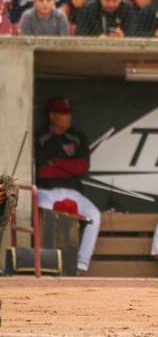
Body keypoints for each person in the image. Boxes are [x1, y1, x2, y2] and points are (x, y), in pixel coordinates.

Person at [35, 97, 101, 275]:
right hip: (46, 191)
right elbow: (42, 172)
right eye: (63, 113)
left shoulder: (77, 137)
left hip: (73, 192)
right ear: (52, 116)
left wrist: (55, 162)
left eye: (68, 113)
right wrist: (67, 167)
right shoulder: (41, 137)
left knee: (94, 214)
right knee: (45, 211)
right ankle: (48, 264)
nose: (68, 116)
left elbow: (82, 168)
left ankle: (81, 266)